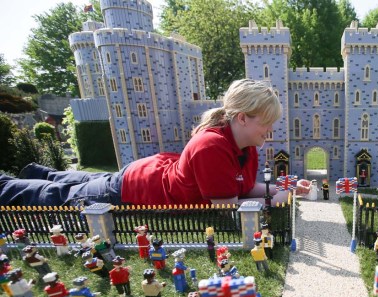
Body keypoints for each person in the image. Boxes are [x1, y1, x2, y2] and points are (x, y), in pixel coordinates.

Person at [0, 79, 293, 207]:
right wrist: (271, 200)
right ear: (242, 118)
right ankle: (7, 186)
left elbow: (244, 187)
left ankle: (39, 173)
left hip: (150, 170)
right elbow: (227, 205)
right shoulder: (212, 146)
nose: (271, 128)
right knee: (61, 198)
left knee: (83, 183)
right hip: (137, 189)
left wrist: (283, 189)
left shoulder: (246, 148)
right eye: (266, 121)